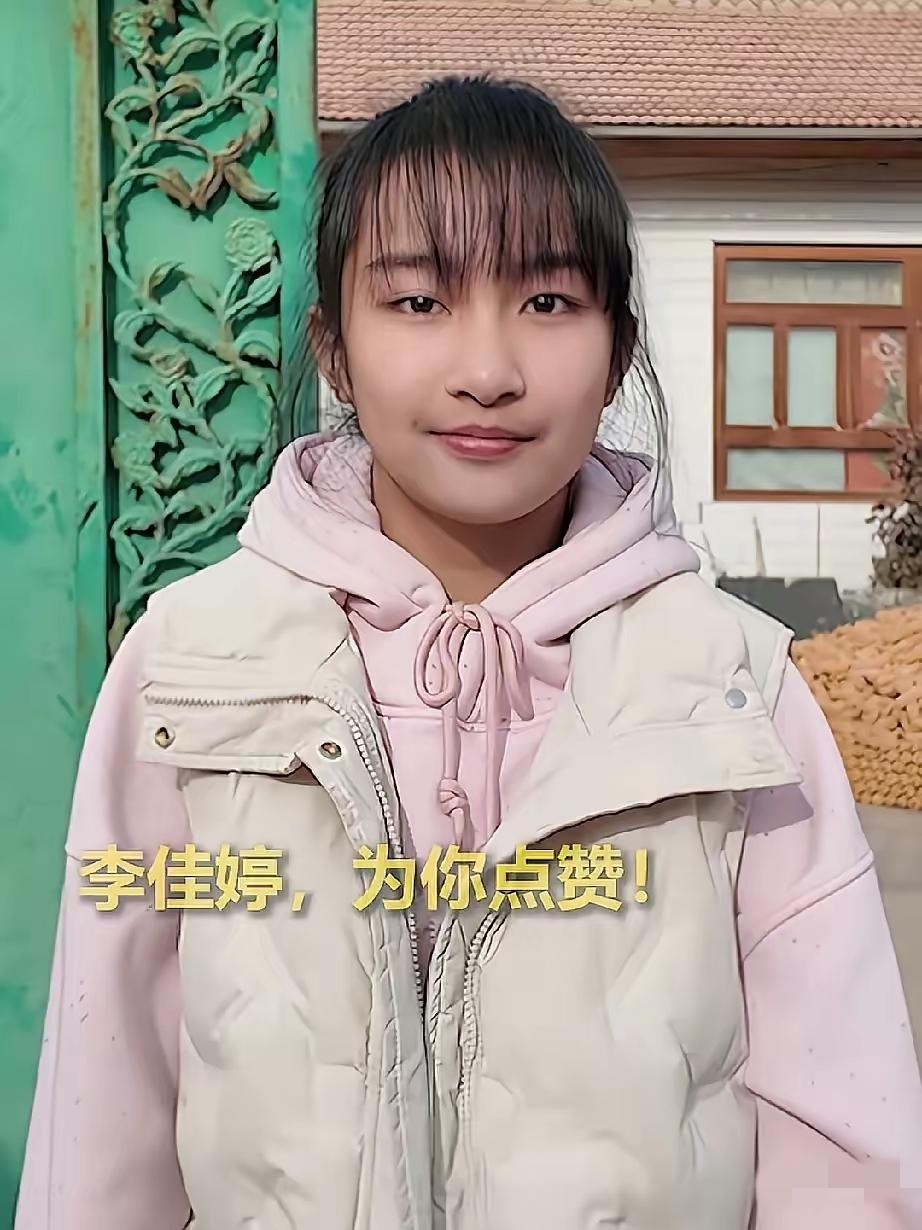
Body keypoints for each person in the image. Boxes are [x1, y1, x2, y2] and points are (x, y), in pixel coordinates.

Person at [15, 75, 922, 1230]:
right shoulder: (189, 672)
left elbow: (845, 1160)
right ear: (333, 349)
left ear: (617, 349)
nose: (487, 369)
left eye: (546, 300)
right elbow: (102, 1127)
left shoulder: (734, 696)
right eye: (418, 300)